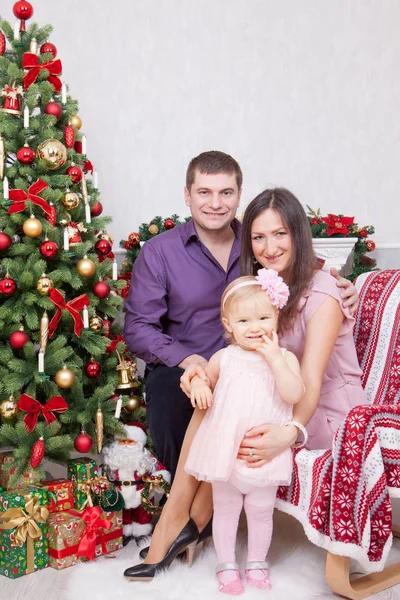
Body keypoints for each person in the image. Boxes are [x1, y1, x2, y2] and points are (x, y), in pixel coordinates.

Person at [123, 184, 364, 583]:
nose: (269, 247)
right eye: (258, 237)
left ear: (298, 235)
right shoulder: (267, 287)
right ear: (247, 241)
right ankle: (181, 521)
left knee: (217, 412)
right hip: (278, 400)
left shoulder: (323, 291)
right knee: (211, 403)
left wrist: (289, 434)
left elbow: (311, 383)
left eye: (281, 234)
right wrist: (201, 371)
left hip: (319, 411)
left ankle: (180, 523)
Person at [123, 151, 358, 481]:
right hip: (189, 366)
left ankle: (196, 519)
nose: (215, 203)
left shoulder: (258, 241)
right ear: (187, 195)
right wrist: (190, 361)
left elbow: (307, 275)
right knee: (170, 391)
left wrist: (350, 289)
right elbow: (137, 328)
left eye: (226, 193)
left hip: (255, 368)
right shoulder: (160, 252)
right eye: (204, 192)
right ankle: (184, 510)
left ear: (238, 197)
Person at [184, 269, 304, 594]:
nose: (255, 328)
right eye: (244, 322)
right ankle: (225, 564)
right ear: (228, 326)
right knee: (225, 511)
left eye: (263, 318)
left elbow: (294, 394)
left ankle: (256, 563)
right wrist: (198, 384)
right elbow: (204, 379)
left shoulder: (286, 358)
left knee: (261, 512)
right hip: (227, 452)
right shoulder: (224, 358)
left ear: (276, 316)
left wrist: (274, 359)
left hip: (266, 453)